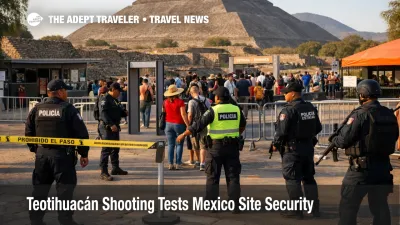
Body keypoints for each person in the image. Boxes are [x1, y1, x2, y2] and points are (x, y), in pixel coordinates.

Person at [331, 79, 398, 225]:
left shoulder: (360, 114)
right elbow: (395, 136)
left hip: (360, 170)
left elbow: (343, 140)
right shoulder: (388, 113)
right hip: (383, 167)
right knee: (380, 207)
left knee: (348, 206)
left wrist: (334, 140)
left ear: (362, 95)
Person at [25, 79, 89, 225]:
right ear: (60, 92)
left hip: (41, 155)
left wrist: (35, 149)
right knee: (65, 191)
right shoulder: (68, 108)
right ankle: (65, 220)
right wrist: (83, 153)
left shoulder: (37, 108)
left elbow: (28, 132)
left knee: (40, 190)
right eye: (65, 90)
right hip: (62, 157)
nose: (66, 93)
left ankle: (36, 220)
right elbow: (81, 134)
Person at [176, 87, 246, 213]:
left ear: (217, 98)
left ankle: (212, 206)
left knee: (213, 177)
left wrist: (183, 134)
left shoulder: (213, 110)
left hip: (215, 149)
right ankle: (235, 206)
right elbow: (242, 125)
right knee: (233, 177)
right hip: (232, 148)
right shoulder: (236, 109)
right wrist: (235, 134)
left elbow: (198, 125)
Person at [272, 82, 322, 219]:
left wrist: (275, 144)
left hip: (292, 150)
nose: (284, 94)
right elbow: (318, 127)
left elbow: (281, 132)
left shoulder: (288, 110)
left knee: (292, 179)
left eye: (286, 92)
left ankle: (296, 211)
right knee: (309, 178)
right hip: (308, 147)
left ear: (293, 93)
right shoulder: (310, 107)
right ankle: (314, 209)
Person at [98, 82, 128, 181]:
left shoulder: (115, 100)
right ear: (114, 89)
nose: (120, 93)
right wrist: (111, 124)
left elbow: (119, 111)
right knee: (106, 150)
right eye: (119, 91)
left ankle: (115, 168)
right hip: (107, 128)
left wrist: (124, 112)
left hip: (115, 127)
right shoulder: (105, 99)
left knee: (115, 148)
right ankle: (104, 172)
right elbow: (103, 114)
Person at [163, 85, 190, 170]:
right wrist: (188, 125)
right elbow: (183, 114)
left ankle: (170, 164)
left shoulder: (165, 102)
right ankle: (178, 163)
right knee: (179, 144)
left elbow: (163, 113)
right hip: (179, 124)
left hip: (168, 124)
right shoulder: (180, 102)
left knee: (170, 145)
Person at [187, 85, 211, 170]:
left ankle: (198, 160)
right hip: (204, 124)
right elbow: (210, 112)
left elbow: (190, 115)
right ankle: (202, 163)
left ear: (191, 92)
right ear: (198, 91)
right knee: (203, 144)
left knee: (195, 144)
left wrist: (188, 125)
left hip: (194, 124)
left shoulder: (191, 102)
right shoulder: (206, 100)